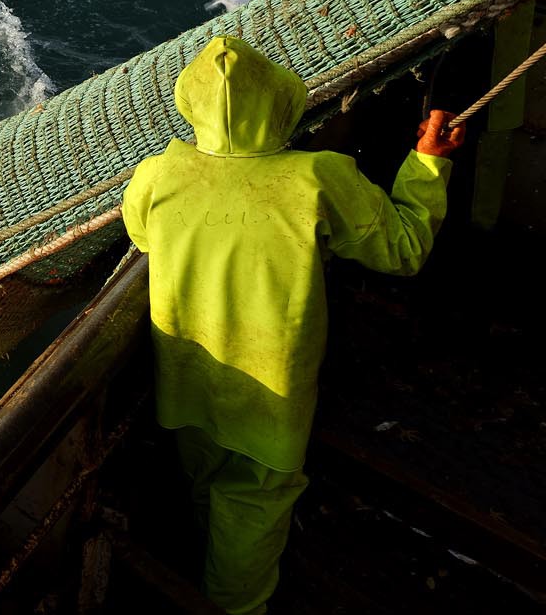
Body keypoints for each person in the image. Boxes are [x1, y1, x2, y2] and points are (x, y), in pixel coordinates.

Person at [120, 36, 465, 614]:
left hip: (185, 381)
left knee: (204, 480)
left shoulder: (157, 173)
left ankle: (202, 557)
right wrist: (429, 163)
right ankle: (237, 606)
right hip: (272, 394)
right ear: (282, 102)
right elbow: (402, 250)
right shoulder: (319, 176)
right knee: (255, 504)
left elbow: (143, 237)